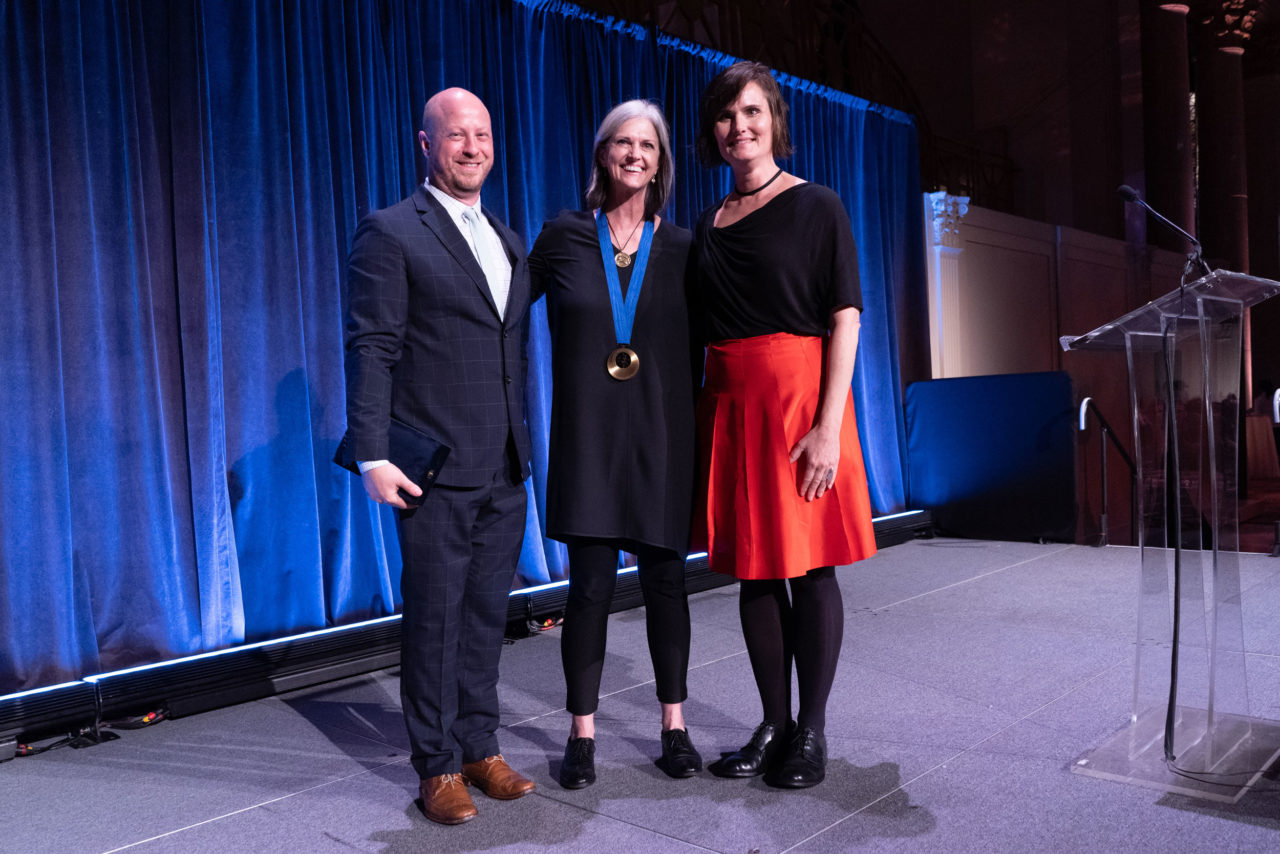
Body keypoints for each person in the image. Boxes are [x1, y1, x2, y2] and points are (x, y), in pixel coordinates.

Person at [337, 87, 535, 825]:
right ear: (427, 145)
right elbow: (372, 347)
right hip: (435, 469)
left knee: (486, 617)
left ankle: (480, 746)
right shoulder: (391, 231)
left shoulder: (508, 239)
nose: (472, 147)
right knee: (435, 620)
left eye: (482, 134)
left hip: (505, 465)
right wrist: (372, 454)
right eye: (457, 135)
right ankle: (438, 765)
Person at [691, 62, 877, 789]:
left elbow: (845, 317)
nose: (739, 126)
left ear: (774, 119)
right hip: (733, 407)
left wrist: (829, 427)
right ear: (713, 131)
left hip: (801, 406)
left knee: (812, 567)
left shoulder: (817, 205)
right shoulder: (706, 224)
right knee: (756, 570)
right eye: (726, 115)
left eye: (751, 111)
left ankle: (812, 731)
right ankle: (772, 724)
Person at [527, 100, 701, 789]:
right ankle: (582, 735)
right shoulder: (564, 236)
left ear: (660, 164)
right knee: (590, 589)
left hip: (663, 439)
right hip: (589, 441)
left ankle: (674, 727)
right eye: (623, 143)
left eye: (648, 146)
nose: (635, 154)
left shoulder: (684, 248)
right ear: (603, 154)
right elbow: (500, 312)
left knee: (667, 585)